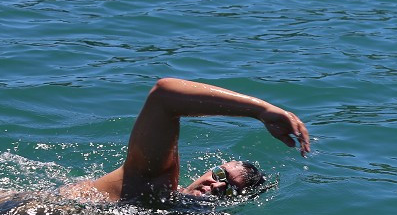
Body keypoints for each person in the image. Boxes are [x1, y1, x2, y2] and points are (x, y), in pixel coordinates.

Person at [59, 77, 310, 204]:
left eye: (230, 190)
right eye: (220, 175)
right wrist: (261, 110)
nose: (217, 186)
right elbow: (164, 96)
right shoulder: (152, 181)